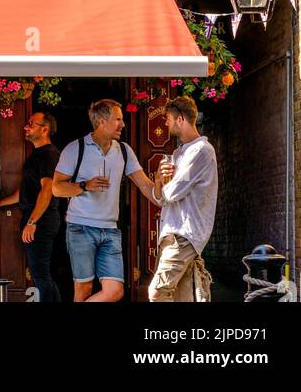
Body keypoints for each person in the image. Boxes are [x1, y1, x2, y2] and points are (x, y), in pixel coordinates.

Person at [52, 98, 157, 303]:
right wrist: (84, 185)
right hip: (80, 227)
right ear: (101, 121)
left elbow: (145, 185)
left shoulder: (124, 151)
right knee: (83, 289)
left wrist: (168, 199)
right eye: (118, 119)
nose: (123, 124)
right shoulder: (75, 149)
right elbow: (56, 188)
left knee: (115, 291)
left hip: (110, 229)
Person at [0, 110, 62, 303]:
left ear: (45, 129)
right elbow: (26, 191)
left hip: (42, 220)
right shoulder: (37, 155)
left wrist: (33, 221)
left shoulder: (49, 154)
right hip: (34, 218)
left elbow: (47, 190)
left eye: (30, 124)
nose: (25, 127)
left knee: (40, 273)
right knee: (39, 273)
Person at [148, 95, 218, 302]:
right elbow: (160, 198)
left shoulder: (201, 151)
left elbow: (172, 193)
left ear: (181, 119)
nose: (166, 123)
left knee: (157, 292)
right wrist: (159, 179)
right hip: (173, 233)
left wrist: (165, 185)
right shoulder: (179, 154)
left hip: (184, 234)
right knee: (181, 297)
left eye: (168, 118)